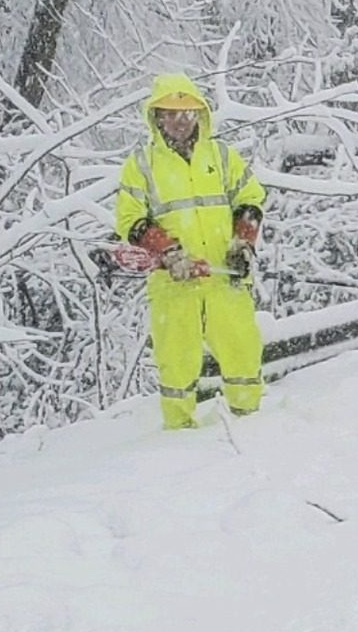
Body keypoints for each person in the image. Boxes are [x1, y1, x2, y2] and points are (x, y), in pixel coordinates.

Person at [112, 73, 267, 428]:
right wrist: (168, 252)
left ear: (200, 114)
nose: (180, 121)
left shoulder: (222, 156)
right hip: (174, 285)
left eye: (187, 113)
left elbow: (250, 197)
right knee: (176, 364)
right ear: (157, 117)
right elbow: (129, 218)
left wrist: (242, 241)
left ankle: (252, 426)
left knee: (243, 355)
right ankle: (178, 436)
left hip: (225, 278)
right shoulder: (142, 165)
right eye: (171, 113)